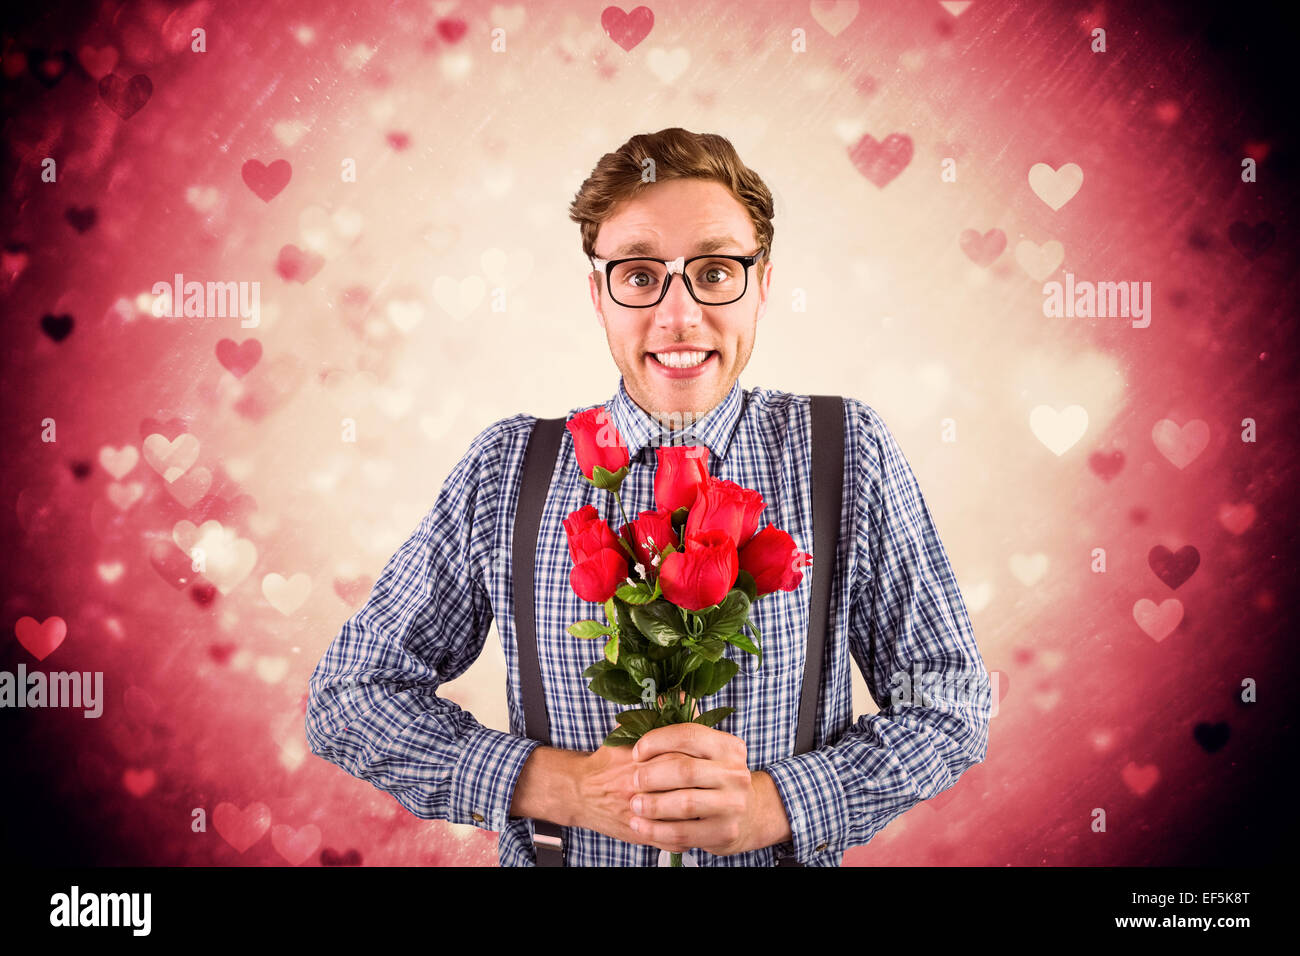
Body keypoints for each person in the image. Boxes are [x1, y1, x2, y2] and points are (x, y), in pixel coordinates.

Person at [305, 127, 991, 867]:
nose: (679, 315)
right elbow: (352, 693)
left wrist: (778, 803)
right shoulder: (506, 469)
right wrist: (556, 787)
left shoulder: (846, 450)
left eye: (716, 270)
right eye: (639, 275)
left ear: (761, 284)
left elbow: (948, 701)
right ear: (597, 294)